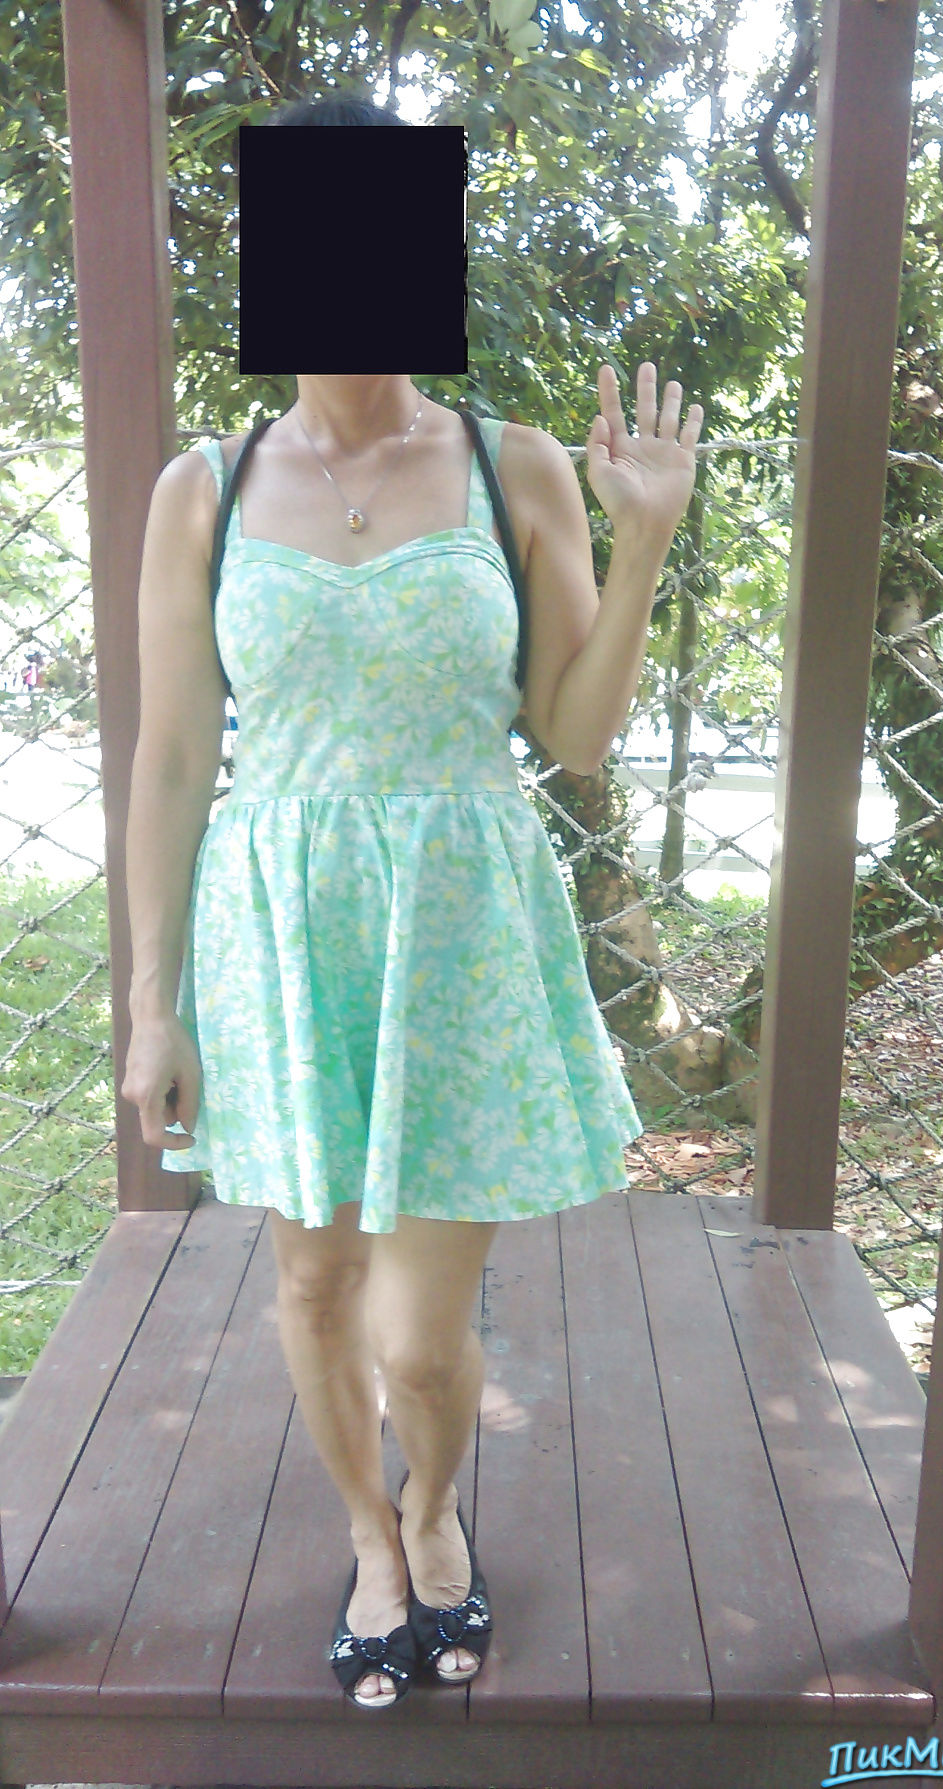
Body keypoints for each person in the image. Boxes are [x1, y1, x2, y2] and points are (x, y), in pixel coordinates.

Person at [123, 94, 702, 1713]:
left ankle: (438, 1500)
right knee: (314, 1286)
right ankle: (371, 1538)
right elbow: (172, 758)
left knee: (424, 1339)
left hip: (457, 939)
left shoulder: (515, 466)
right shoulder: (203, 490)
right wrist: (153, 998)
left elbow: (574, 734)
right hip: (282, 937)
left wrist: (645, 541)